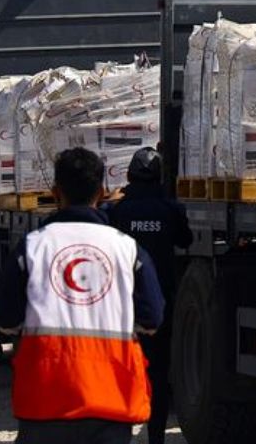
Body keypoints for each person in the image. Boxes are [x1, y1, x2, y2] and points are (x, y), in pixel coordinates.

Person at [0, 147, 164, 444]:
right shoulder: (128, 249)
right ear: (103, 191)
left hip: (45, 401)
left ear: (55, 192)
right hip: (111, 400)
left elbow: (6, 318)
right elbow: (152, 318)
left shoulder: (32, 247)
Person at [107, 147, 193, 444]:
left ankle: (120, 432)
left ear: (129, 176)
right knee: (157, 372)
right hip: (160, 304)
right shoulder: (171, 210)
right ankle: (155, 437)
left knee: (120, 370)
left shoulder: (116, 212)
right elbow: (186, 239)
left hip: (122, 307)